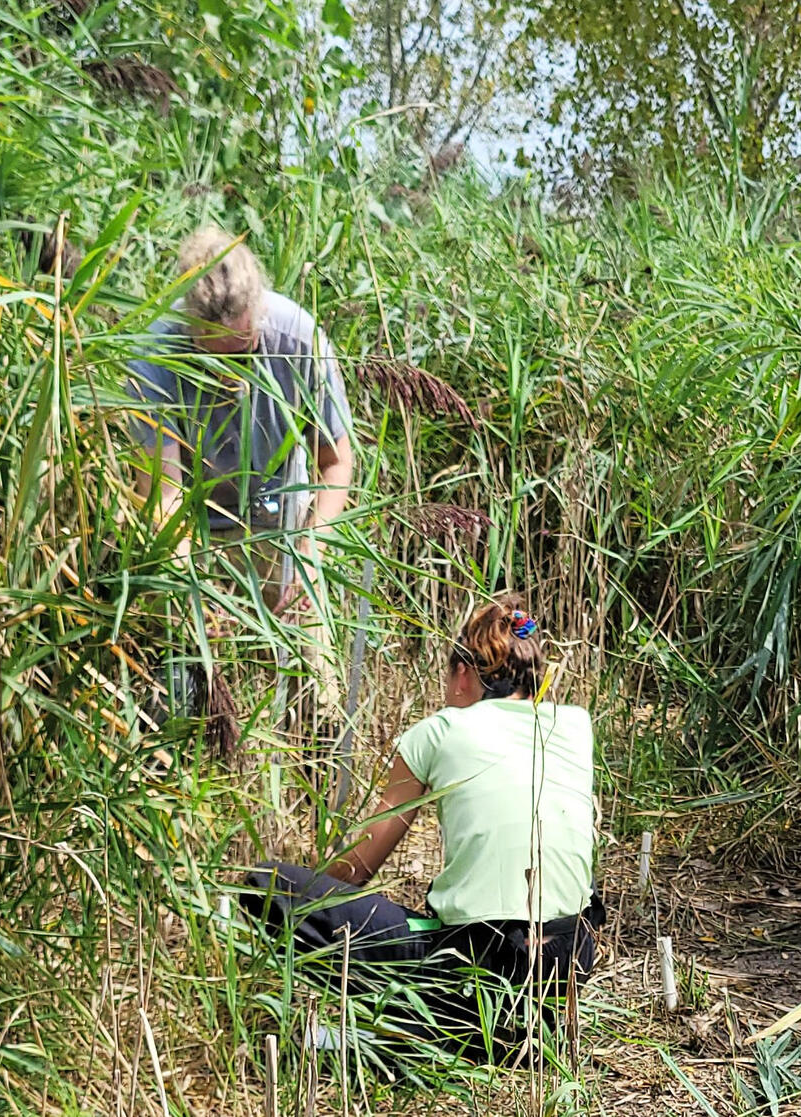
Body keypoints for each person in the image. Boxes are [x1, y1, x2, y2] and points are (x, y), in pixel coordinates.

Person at [240, 598, 602, 1055]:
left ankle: (427, 1028)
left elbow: (357, 869)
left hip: (477, 970)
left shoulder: (441, 730)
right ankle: (490, 1035)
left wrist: (316, 876)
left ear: (465, 674)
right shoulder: (575, 725)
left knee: (269, 886)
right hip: (564, 970)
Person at [126, 227, 353, 743]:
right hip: (197, 527)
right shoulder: (153, 360)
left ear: (260, 315)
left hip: (284, 521)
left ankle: (319, 778)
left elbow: (336, 462)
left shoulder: (301, 340)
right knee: (179, 661)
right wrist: (190, 589)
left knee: (314, 674)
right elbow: (164, 497)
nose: (232, 374)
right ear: (189, 328)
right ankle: (176, 767)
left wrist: (311, 550)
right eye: (216, 358)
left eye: (243, 352)